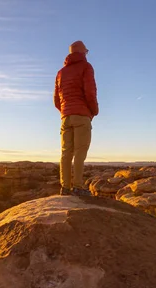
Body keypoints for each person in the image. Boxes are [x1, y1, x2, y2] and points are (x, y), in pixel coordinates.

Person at [54, 40, 99, 196]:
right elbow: (90, 92)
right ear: (82, 52)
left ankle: (65, 187)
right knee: (80, 152)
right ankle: (78, 187)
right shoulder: (86, 67)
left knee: (66, 152)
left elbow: (56, 100)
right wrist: (93, 111)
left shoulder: (61, 72)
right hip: (81, 115)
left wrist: (65, 111)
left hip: (65, 117)